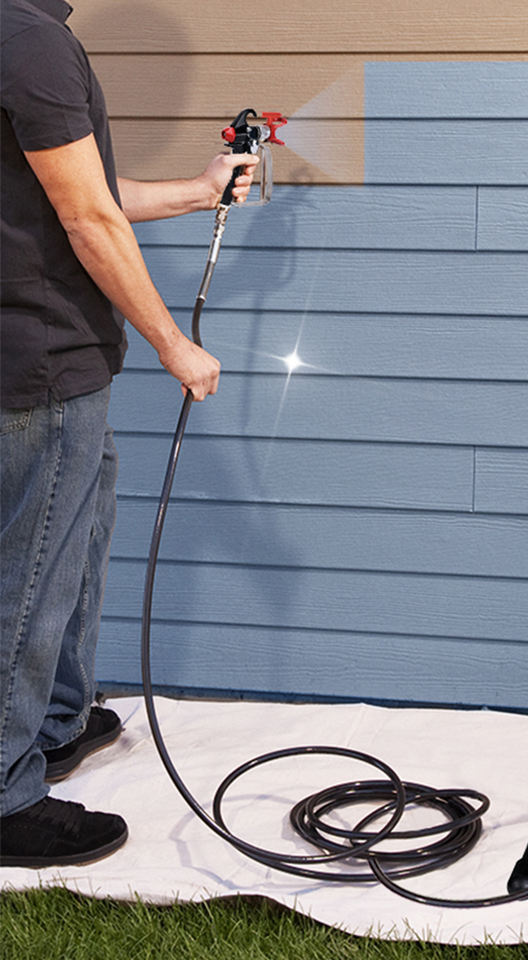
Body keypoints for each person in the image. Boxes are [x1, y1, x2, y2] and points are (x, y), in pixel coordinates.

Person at [0, 0, 258, 867]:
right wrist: (173, 344)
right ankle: (3, 792)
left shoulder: (22, 33)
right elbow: (88, 220)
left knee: (74, 537)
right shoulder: (30, 41)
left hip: (44, 357)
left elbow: (74, 193)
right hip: (41, 356)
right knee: (30, 578)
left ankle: (56, 721)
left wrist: (199, 189)